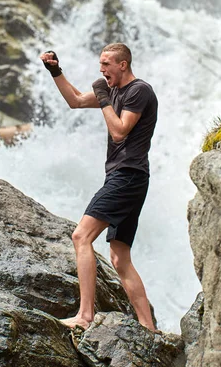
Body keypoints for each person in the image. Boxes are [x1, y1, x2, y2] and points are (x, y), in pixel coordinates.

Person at [40, 42, 158, 332]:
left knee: (81, 236)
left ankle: (85, 315)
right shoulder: (113, 91)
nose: (101, 69)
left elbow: (119, 132)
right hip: (126, 177)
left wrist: (105, 98)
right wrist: (56, 71)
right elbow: (77, 100)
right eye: (100, 64)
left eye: (106, 64)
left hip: (128, 175)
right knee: (119, 258)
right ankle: (150, 329)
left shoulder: (139, 90)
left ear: (123, 64)